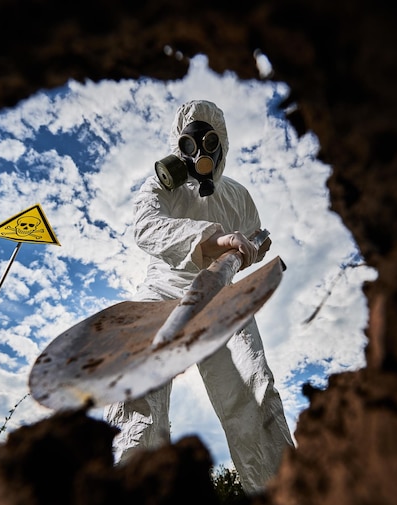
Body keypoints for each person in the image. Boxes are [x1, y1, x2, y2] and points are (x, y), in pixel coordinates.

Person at [103, 100, 294, 493]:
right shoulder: (161, 184)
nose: (200, 152)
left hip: (220, 297)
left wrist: (249, 251)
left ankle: (284, 494)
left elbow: (250, 244)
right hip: (163, 289)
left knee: (253, 390)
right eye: (191, 143)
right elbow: (145, 226)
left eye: (209, 141)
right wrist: (209, 238)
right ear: (180, 145)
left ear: (221, 143)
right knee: (138, 384)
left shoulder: (238, 197)